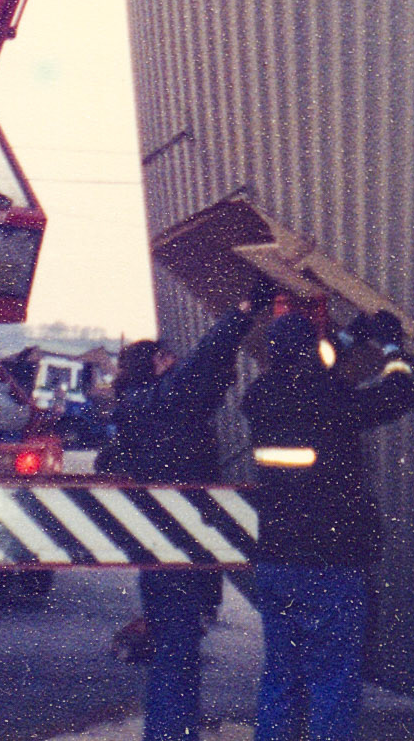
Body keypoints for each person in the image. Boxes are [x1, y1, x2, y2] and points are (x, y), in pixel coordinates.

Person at [244, 303, 414, 741]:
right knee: (332, 682)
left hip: (276, 560)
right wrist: (394, 347)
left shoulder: (262, 396)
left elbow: (309, 371)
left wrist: (349, 338)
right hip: (330, 562)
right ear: (308, 353)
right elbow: (399, 394)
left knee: (281, 679)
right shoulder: (330, 400)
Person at [109, 287, 268, 741]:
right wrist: (241, 311)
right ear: (158, 363)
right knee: (177, 652)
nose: (176, 360)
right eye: (169, 358)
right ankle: (171, 735)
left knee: (176, 649)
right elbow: (203, 364)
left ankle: (172, 733)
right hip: (177, 545)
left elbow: (206, 376)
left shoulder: (142, 408)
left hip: (166, 547)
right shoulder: (160, 402)